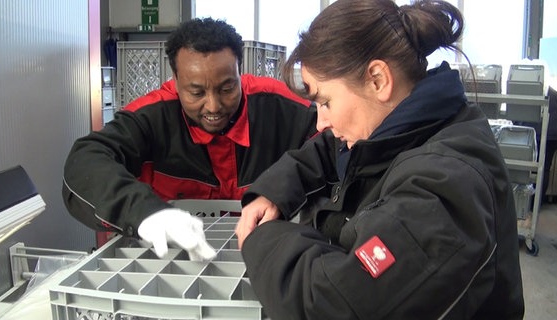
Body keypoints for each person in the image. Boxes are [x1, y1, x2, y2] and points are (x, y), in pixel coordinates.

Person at [235, 0, 525, 319]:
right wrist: (274, 193)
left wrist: (263, 238)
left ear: (377, 80)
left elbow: (332, 304)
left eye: (326, 102)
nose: (320, 124)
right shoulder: (404, 128)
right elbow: (329, 152)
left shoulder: (446, 188)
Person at [62, 17, 318, 261]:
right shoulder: (150, 117)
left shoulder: (281, 107)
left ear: (240, 72)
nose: (214, 106)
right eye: (196, 92)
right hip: (170, 262)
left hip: (269, 257)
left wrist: (283, 188)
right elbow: (86, 159)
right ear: (175, 82)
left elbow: (335, 146)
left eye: (227, 88)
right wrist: (144, 212)